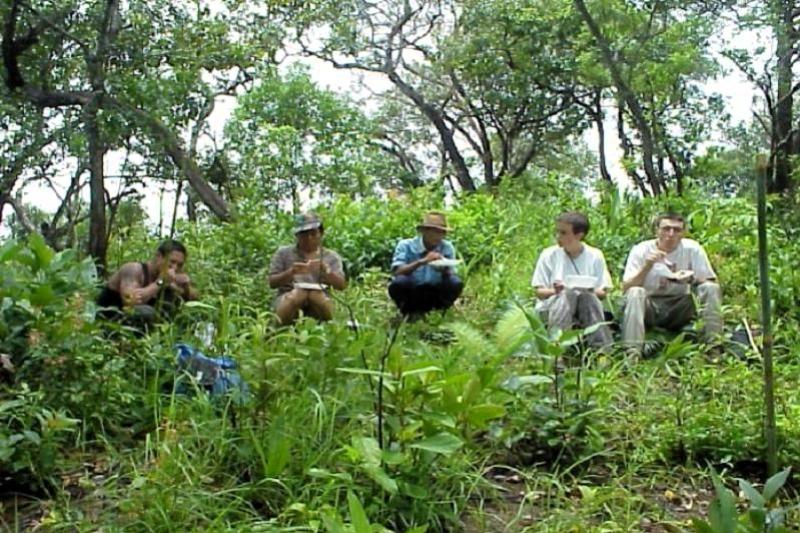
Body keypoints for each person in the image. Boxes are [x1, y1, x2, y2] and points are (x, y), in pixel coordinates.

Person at [621, 212, 722, 354]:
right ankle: (632, 351)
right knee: (635, 292)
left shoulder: (692, 249)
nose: (671, 234)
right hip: (650, 305)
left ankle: (713, 347)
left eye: (677, 230)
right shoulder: (641, 250)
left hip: (680, 305)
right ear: (657, 230)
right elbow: (626, 288)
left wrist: (691, 279)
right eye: (666, 229)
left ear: (683, 233)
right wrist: (647, 266)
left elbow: (711, 280)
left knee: (710, 288)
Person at [531, 212, 613, 348]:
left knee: (587, 296)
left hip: (586, 306)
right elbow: (539, 292)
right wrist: (555, 291)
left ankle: (602, 351)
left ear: (579, 235)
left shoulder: (595, 255)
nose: (558, 237)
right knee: (567, 294)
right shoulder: (549, 255)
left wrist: (589, 289)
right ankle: (557, 348)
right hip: (554, 307)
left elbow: (603, 293)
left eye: (563, 233)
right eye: (557, 232)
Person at [96, 239, 198, 329]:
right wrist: (160, 282)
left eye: (179, 265)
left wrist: (185, 286)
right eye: (171, 262)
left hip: (142, 328)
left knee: (171, 297)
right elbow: (131, 301)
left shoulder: (169, 278)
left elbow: (193, 299)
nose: (174, 268)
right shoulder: (134, 270)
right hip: (110, 323)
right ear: (158, 256)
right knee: (145, 312)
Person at [268, 212, 346, 325]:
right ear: (297, 236)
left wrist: (327, 272)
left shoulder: (331, 257)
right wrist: (291, 272)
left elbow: (341, 285)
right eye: (304, 234)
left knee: (316, 296)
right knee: (296, 295)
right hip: (287, 296)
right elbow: (272, 282)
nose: (309, 238)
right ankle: (277, 331)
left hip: (321, 297)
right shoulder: (283, 253)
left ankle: (329, 330)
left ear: (321, 233)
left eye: (313, 234)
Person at [389, 211, 463, 316]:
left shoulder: (446, 247)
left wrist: (444, 268)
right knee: (399, 283)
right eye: (434, 232)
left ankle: (439, 312)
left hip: (435, 291)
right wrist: (422, 261)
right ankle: (408, 312)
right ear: (424, 231)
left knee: (455, 283)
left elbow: (451, 275)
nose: (437, 236)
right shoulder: (406, 245)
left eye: (441, 232)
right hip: (413, 290)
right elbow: (397, 271)